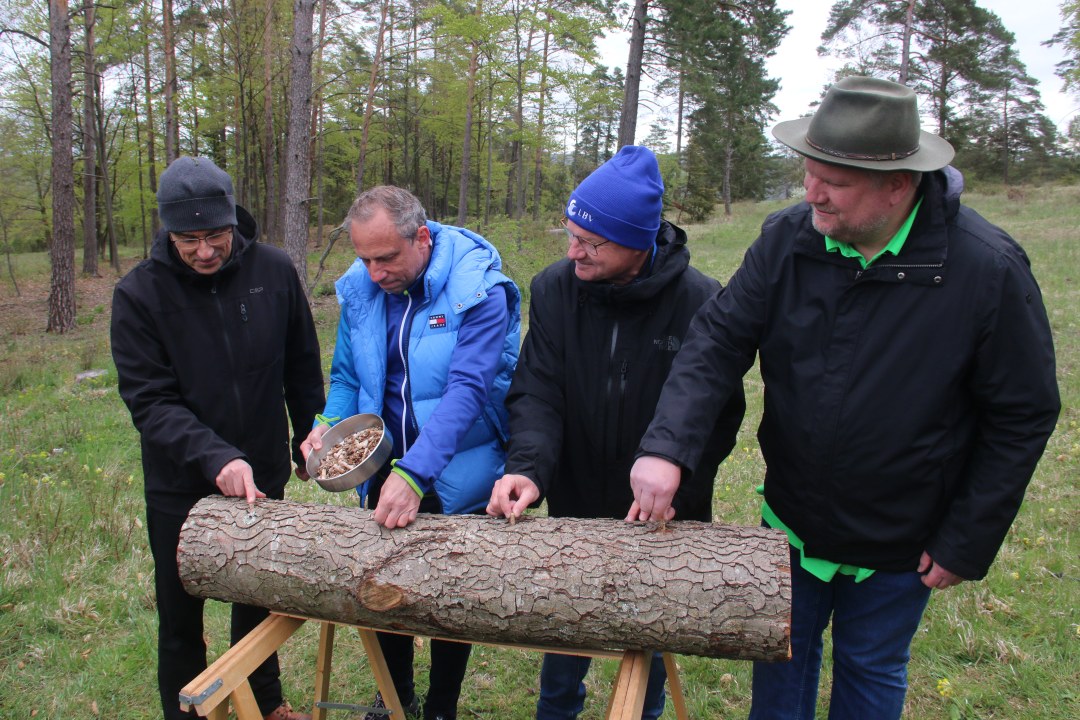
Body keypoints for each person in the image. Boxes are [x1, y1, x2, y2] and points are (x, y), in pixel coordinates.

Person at [628, 76, 1061, 719]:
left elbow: (1023, 413)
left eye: (834, 180)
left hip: (901, 542)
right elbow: (716, 340)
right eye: (809, 172)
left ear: (899, 183)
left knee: (870, 673)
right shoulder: (788, 240)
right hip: (794, 526)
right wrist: (667, 447)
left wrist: (965, 539)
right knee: (781, 666)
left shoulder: (985, 269)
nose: (813, 193)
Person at [485, 145, 745, 720]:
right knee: (564, 630)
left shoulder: (701, 301)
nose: (573, 250)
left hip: (656, 517)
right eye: (570, 234)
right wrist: (527, 467)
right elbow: (537, 390)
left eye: (590, 242)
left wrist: (680, 484)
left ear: (638, 242)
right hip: (574, 498)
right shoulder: (555, 288)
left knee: (643, 644)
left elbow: (720, 415)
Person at [111, 156, 324, 720]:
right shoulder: (138, 296)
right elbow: (150, 402)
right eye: (189, 239)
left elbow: (301, 365)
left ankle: (267, 705)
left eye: (216, 236)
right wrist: (215, 456)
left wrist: (309, 435)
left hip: (261, 475)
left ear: (234, 221)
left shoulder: (274, 271)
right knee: (181, 617)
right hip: (180, 484)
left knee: (256, 598)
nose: (205, 251)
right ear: (167, 230)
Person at [301, 185, 520, 720]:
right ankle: (394, 696)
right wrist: (327, 424)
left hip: (458, 466)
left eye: (387, 258)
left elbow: (469, 388)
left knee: (451, 593)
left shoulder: (478, 287)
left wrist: (416, 473)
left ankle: (442, 705)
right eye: (365, 258)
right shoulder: (362, 290)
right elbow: (349, 375)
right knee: (382, 581)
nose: (375, 272)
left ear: (421, 237)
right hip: (383, 464)